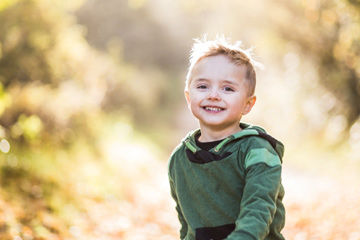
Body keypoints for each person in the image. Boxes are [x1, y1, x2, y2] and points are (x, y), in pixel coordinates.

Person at [168, 36, 285, 240]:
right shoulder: (179, 160)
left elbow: (258, 210)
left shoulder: (257, 150)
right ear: (189, 97)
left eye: (227, 88)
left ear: (248, 104)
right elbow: (187, 225)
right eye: (203, 86)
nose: (213, 95)